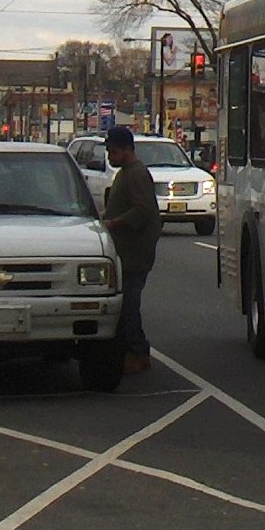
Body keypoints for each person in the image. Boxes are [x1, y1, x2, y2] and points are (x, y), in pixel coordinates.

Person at [101, 125, 162, 374]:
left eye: (113, 151)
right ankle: (132, 350)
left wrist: (114, 222)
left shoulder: (136, 173)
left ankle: (138, 352)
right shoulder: (125, 172)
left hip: (134, 253)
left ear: (128, 150)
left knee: (128, 305)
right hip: (124, 251)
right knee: (125, 304)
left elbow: (143, 210)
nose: (109, 156)